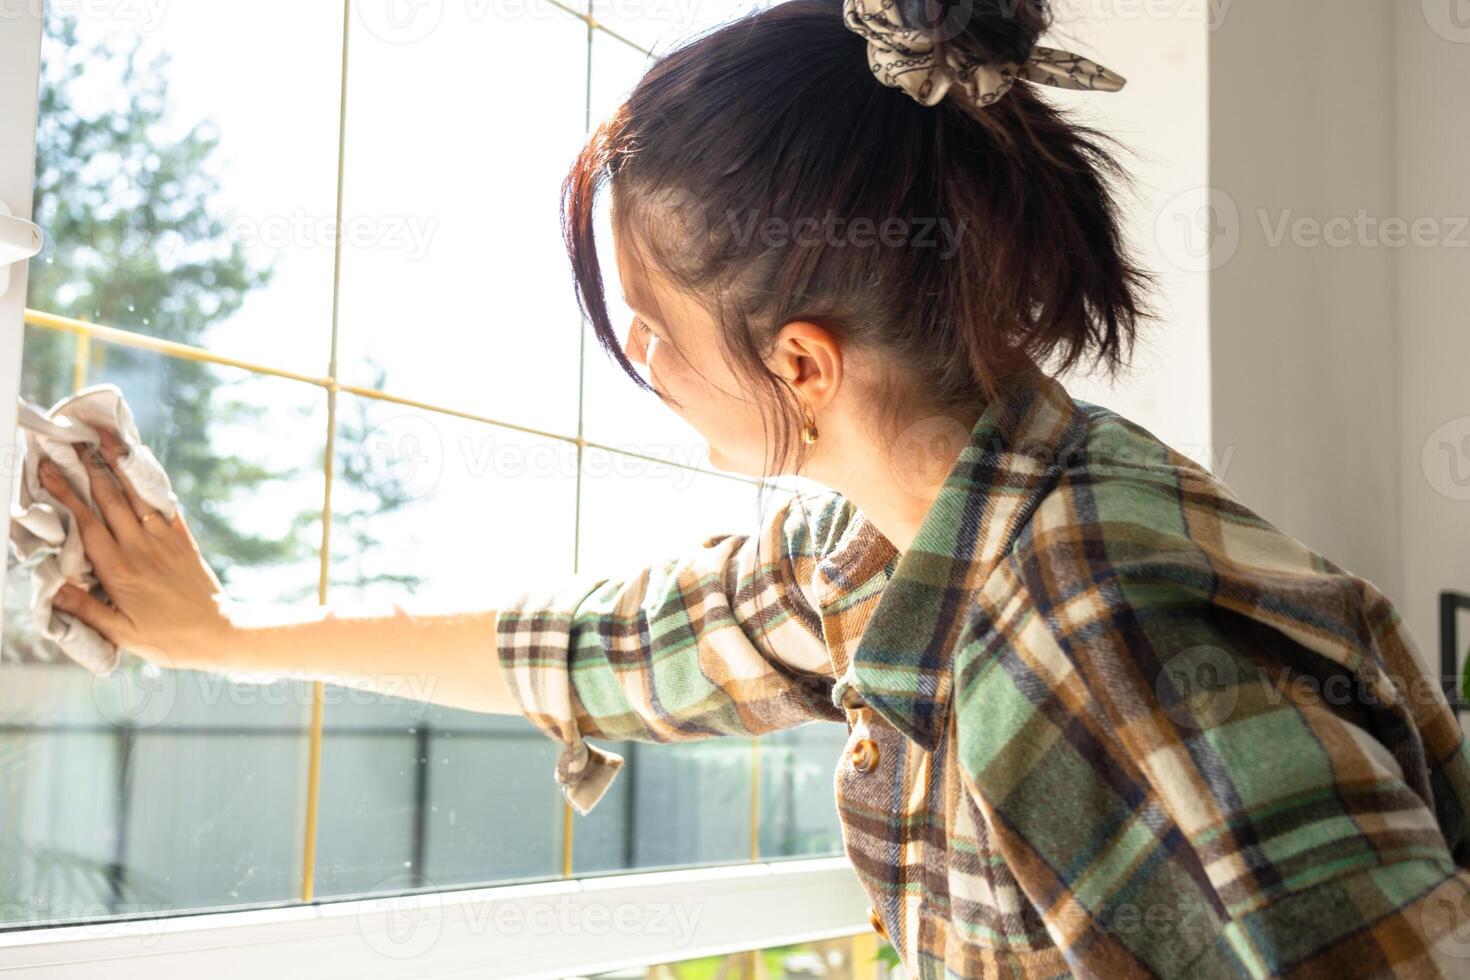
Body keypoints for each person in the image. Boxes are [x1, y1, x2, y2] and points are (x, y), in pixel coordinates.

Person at [39, 0, 1470, 975]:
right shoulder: (889, 557)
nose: (640, 363)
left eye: (646, 329)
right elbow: (595, 652)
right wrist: (217, 638)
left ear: (798, 362)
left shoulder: (1097, 632)